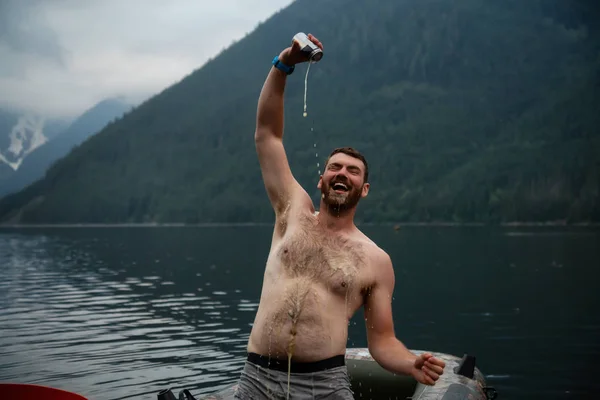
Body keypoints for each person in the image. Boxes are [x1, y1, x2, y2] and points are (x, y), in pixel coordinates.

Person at [234, 33, 446, 399]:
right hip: (256, 379)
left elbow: (382, 342)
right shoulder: (292, 212)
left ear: (363, 189)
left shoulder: (376, 260)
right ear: (321, 180)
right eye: (335, 167)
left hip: (322, 386)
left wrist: (411, 363)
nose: (342, 173)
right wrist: (284, 63)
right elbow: (267, 135)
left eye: (353, 171)